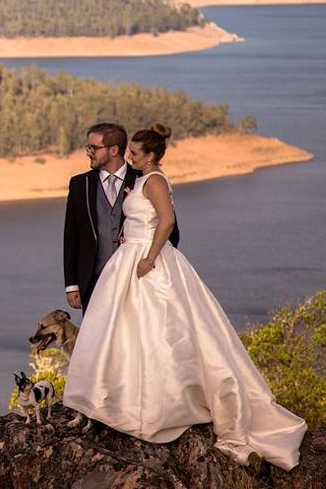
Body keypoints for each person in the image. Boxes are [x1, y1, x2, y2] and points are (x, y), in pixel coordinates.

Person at [63, 124, 307, 471]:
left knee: (155, 336)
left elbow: (167, 222)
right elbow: (75, 234)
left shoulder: (153, 180)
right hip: (124, 263)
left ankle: (155, 407)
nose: (131, 158)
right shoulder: (110, 181)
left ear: (148, 155)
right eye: (129, 152)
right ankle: (111, 406)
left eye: (135, 153)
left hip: (146, 264)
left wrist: (150, 256)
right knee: (117, 337)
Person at [63, 122, 179, 313]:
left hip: (137, 279)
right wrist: (72, 284)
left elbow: (170, 229)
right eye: (88, 147)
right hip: (94, 280)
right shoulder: (79, 184)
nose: (88, 152)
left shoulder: (144, 178)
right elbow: (71, 236)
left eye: (93, 147)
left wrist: (157, 265)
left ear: (113, 150)